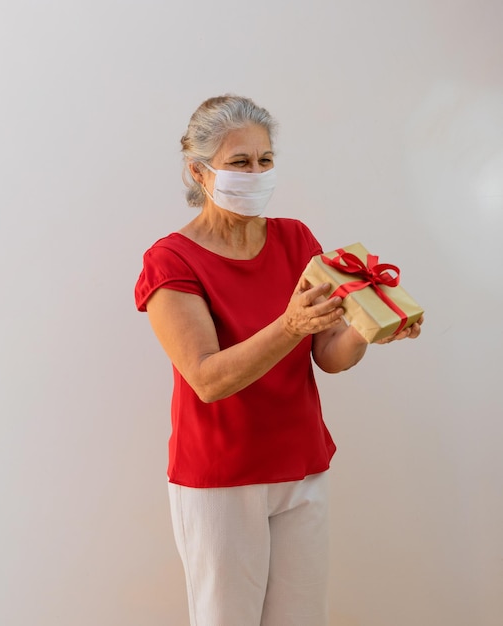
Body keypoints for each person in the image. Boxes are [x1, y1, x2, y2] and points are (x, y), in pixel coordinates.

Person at [134, 94, 423, 626]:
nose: (257, 172)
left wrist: (368, 328)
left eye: (265, 160)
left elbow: (328, 357)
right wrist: (288, 324)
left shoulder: (296, 240)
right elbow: (207, 379)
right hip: (222, 476)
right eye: (239, 162)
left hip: (301, 465)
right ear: (199, 172)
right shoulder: (171, 260)